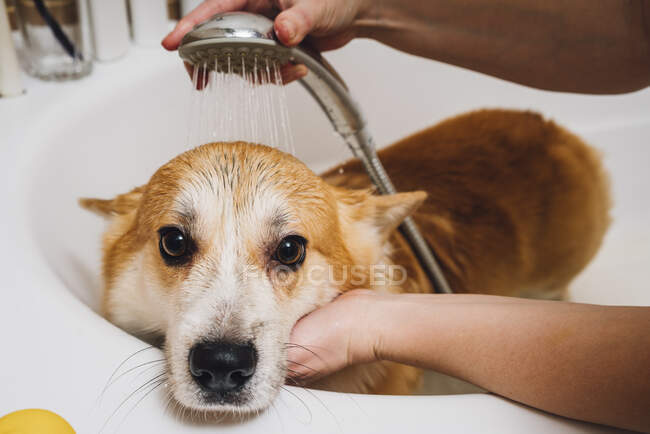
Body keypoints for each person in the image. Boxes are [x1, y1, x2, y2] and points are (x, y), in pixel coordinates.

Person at [162, 2, 650, 432]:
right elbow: (634, 23)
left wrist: (373, 326)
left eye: (287, 252)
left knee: (548, 288)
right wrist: (364, 5)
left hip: (559, 184)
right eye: (179, 246)